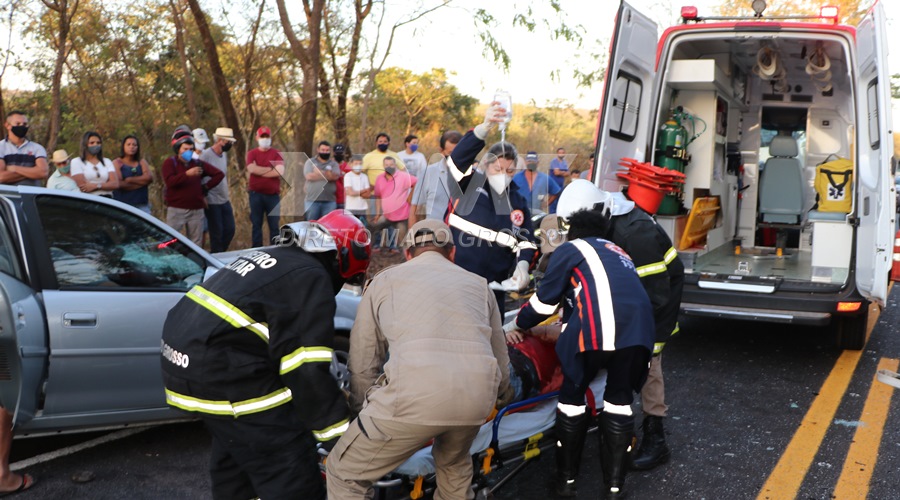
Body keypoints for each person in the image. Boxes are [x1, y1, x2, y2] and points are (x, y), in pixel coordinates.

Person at [162, 211, 370, 500]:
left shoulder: (272, 257)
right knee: (290, 465)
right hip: (222, 371)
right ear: (343, 258)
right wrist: (339, 435)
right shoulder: (311, 275)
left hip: (183, 362)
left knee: (238, 453)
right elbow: (306, 369)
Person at [326, 219, 511, 500]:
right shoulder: (479, 286)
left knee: (344, 474)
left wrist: (361, 411)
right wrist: (501, 396)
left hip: (412, 398)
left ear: (408, 254)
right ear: (452, 253)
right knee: (453, 468)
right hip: (475, 399)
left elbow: (363, 361)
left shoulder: (384, 281)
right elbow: (500, 357)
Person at [504, 204, 654, 499]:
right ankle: (614, 488)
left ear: (573, 233)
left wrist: (518, 323)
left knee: (572, 402)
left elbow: (544, 304)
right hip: (638, 335)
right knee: (619, 404)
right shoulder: (621, 254)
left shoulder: (572, 250)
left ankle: (566, 483)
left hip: (594, 334)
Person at [559, 180, 684, 472]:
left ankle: (656, 438)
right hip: (631, 296)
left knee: (649, 363)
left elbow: (654, 295)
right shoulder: (598, 221)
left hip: (655, 301)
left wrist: (638, 339)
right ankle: (611, 423)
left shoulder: (635, 234)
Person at [445, 104, 537, 313]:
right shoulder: (467, 184)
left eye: (510, 170)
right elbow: (457, 161)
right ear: (487, 166)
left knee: (489, 338)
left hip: (494, 289)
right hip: (455, 279)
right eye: (498, 169)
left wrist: (523, 265)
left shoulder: (518, 201)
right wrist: (483, 129)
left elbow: (526, 241)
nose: (504, 174)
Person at [162, 129, 224, 246]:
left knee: (196, 242)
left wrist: (205, 187)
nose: (188, 152)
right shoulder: (170, 163)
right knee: (169, 241)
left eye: (191, 149)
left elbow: (219, 174)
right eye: (185, 149)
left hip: (196, 209)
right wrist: (186, 174)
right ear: (178, 149)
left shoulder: (197, 163)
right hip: (176, 209)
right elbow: (170, 182)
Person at [408, 130, 461, 225]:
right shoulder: (428, 173)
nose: (455, 157)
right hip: (434, 233)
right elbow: (415, 208)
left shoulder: (474, 175)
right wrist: (412, 236)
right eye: (451, 153)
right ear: (441, 151)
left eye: (459, 153)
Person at [200, 127, 238, 252]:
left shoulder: (224, 155)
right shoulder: (205, 155)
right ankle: (216, 255)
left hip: (224, 199)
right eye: (228, 141)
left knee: (230, 229)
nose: (230, 144)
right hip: (212, 200)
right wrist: (203, 196)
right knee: (217, 233)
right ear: (220, 140)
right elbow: (199, 176)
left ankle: (221, 252)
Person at [246, 126, 284, 247]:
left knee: (274, 226)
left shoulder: (277, 153)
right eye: (262, 136)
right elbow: (251, 168)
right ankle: (256, 249)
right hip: (255, 195)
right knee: (256, 225)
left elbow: (279, 171)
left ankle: (275, 250)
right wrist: (270, 169)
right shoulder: (252, 153)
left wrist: (259, 170)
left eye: (267, 136)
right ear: (257, 138)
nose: (265, 139)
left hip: (272, 196)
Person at [372, 157, 416, 253]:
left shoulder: (403, 176)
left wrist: (410, 196)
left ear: (395, 165)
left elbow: (417, 182)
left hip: (402, 216)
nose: (389, 167)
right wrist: (378, 213)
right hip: (386, 215)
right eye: (386, 165)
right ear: (383, 166)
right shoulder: (380, 178)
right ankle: (372, 248)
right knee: (373, 227)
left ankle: (408, 259)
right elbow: (378, 197)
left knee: (404, 241)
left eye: (391, 165)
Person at [0, 110, 48, 186]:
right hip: (6, 196)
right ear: (7, 125)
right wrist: (32, 173)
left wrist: (14, 168)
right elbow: (1, 177)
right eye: (18, 123)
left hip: (31, 195)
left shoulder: (37, 148)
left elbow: (43, 172)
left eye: (25, 124)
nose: (22, 126)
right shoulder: (1, 147)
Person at [70, 131, 120, 197]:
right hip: (89, 199)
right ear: (85, 144)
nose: (95, 145)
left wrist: (96, 186)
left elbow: (115, 184)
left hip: (107, 199)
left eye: (98, 143)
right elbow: (84, 187)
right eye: (92, 143)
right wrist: (106, 185)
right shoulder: (76, 162)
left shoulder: (107, 161)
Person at [113, 135, 154, 214]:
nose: (132, 147)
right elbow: (119, 184)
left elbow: (149, 178)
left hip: (142, 205)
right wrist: (142, 183)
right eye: (128, 144)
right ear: (123, 146)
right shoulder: (117, 163)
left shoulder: (142, 162)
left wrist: (130, 180)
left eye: (134, 145)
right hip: (123, 205)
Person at [304, 140, 340, 220]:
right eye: (323, 150)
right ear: (318, 150)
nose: (325, 152)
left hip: (329, 202)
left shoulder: (334, 164)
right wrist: (327, 174)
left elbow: (334, 177)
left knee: (328, 227)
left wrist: (318, 172)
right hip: (312, 201)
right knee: (311, 226)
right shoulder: (310, 162)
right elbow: (309, 176)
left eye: (327, 150)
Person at [343, 155, 371, 226]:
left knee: (363, 229)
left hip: (362, 209)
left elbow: (367, 194)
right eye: (356, 164)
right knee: (350, 229)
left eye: (360, 164)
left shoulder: (364, 177)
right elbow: (350, 192)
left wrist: (355, 192)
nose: (358, 166)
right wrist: (363, 191)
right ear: (351, 164)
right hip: (351, 208)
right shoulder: (348, 176)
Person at [334, 143, 348, 210]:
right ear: (334, 153)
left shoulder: (347, 167)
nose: (339, 155)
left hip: (343, 200)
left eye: (341, 153)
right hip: (331, 200)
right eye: (337, 153)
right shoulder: (330, 165)